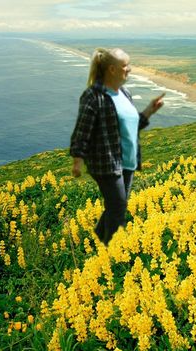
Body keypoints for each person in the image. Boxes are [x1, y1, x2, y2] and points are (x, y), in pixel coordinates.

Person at [70, 47, 164, 246]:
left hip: (128, 160)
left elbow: (132, 125)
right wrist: (77, 160)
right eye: (125, 66)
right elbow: (82, 129)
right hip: (106, 162)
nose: (129, 69)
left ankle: (97, 241)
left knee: (116, 206)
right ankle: (111, 252)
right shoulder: (94, 96)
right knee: (118, 208)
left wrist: (149, 110)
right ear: (112, 69)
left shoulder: (124, 93)